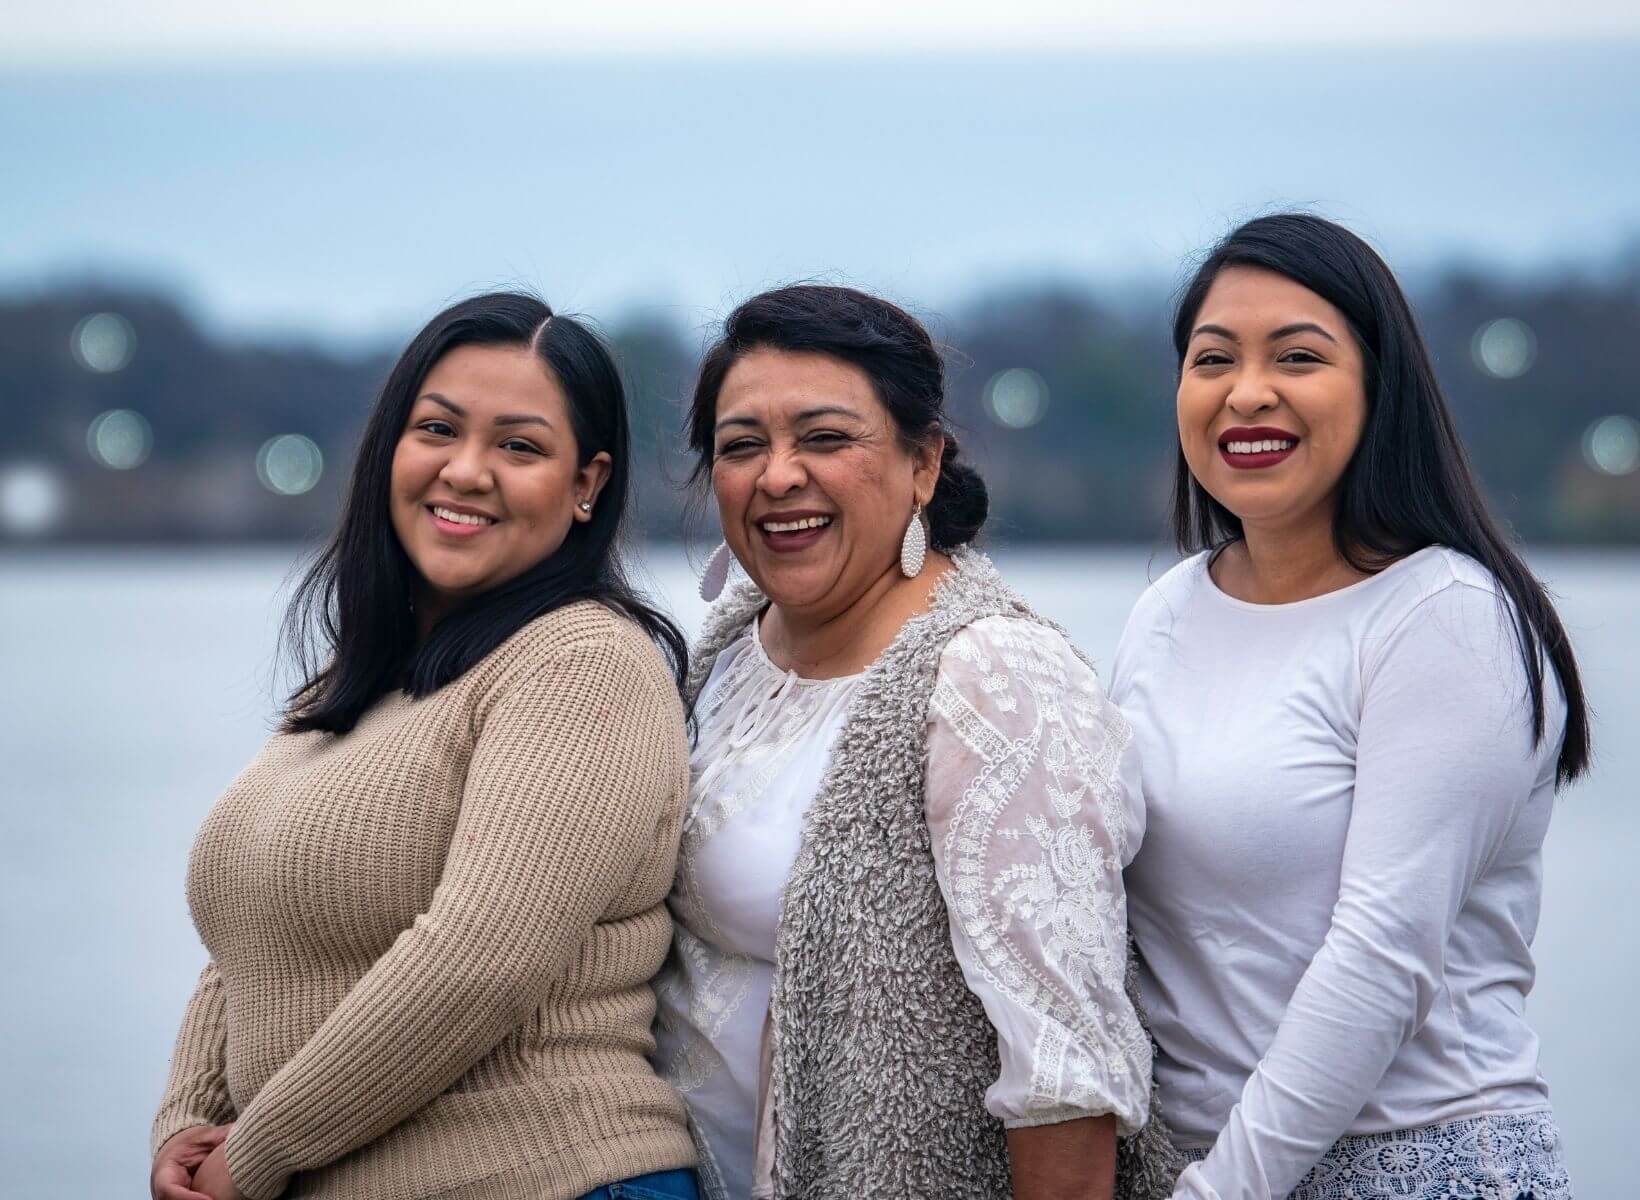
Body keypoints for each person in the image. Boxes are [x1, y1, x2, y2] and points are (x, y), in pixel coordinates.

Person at [149, 293, 700, 1200]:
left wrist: (254, 1158)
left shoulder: (584, 665)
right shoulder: (357, 682)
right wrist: (184, 1126)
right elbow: (245, 941)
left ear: (586, 485)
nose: (467, 471)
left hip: (548, 1178)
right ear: (390, 450)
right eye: (437, 429)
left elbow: (477, 961)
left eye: (519, 446)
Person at [651, 284, 1181, 1200]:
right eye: (743, 446)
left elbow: (1066, 1073)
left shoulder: (996, 677)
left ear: (924, 462)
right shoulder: (728, 655)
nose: (779, 476)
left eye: (824, 438)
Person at [1111, 214, 1590, 1200]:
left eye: (1296, 356)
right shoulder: (1166, 612)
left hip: (1417, 1164)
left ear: (1379, 387)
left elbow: (1379, 956)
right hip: (1189, 1162)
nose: (1246, 392)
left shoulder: (1440, 616)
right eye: (1212, 360)